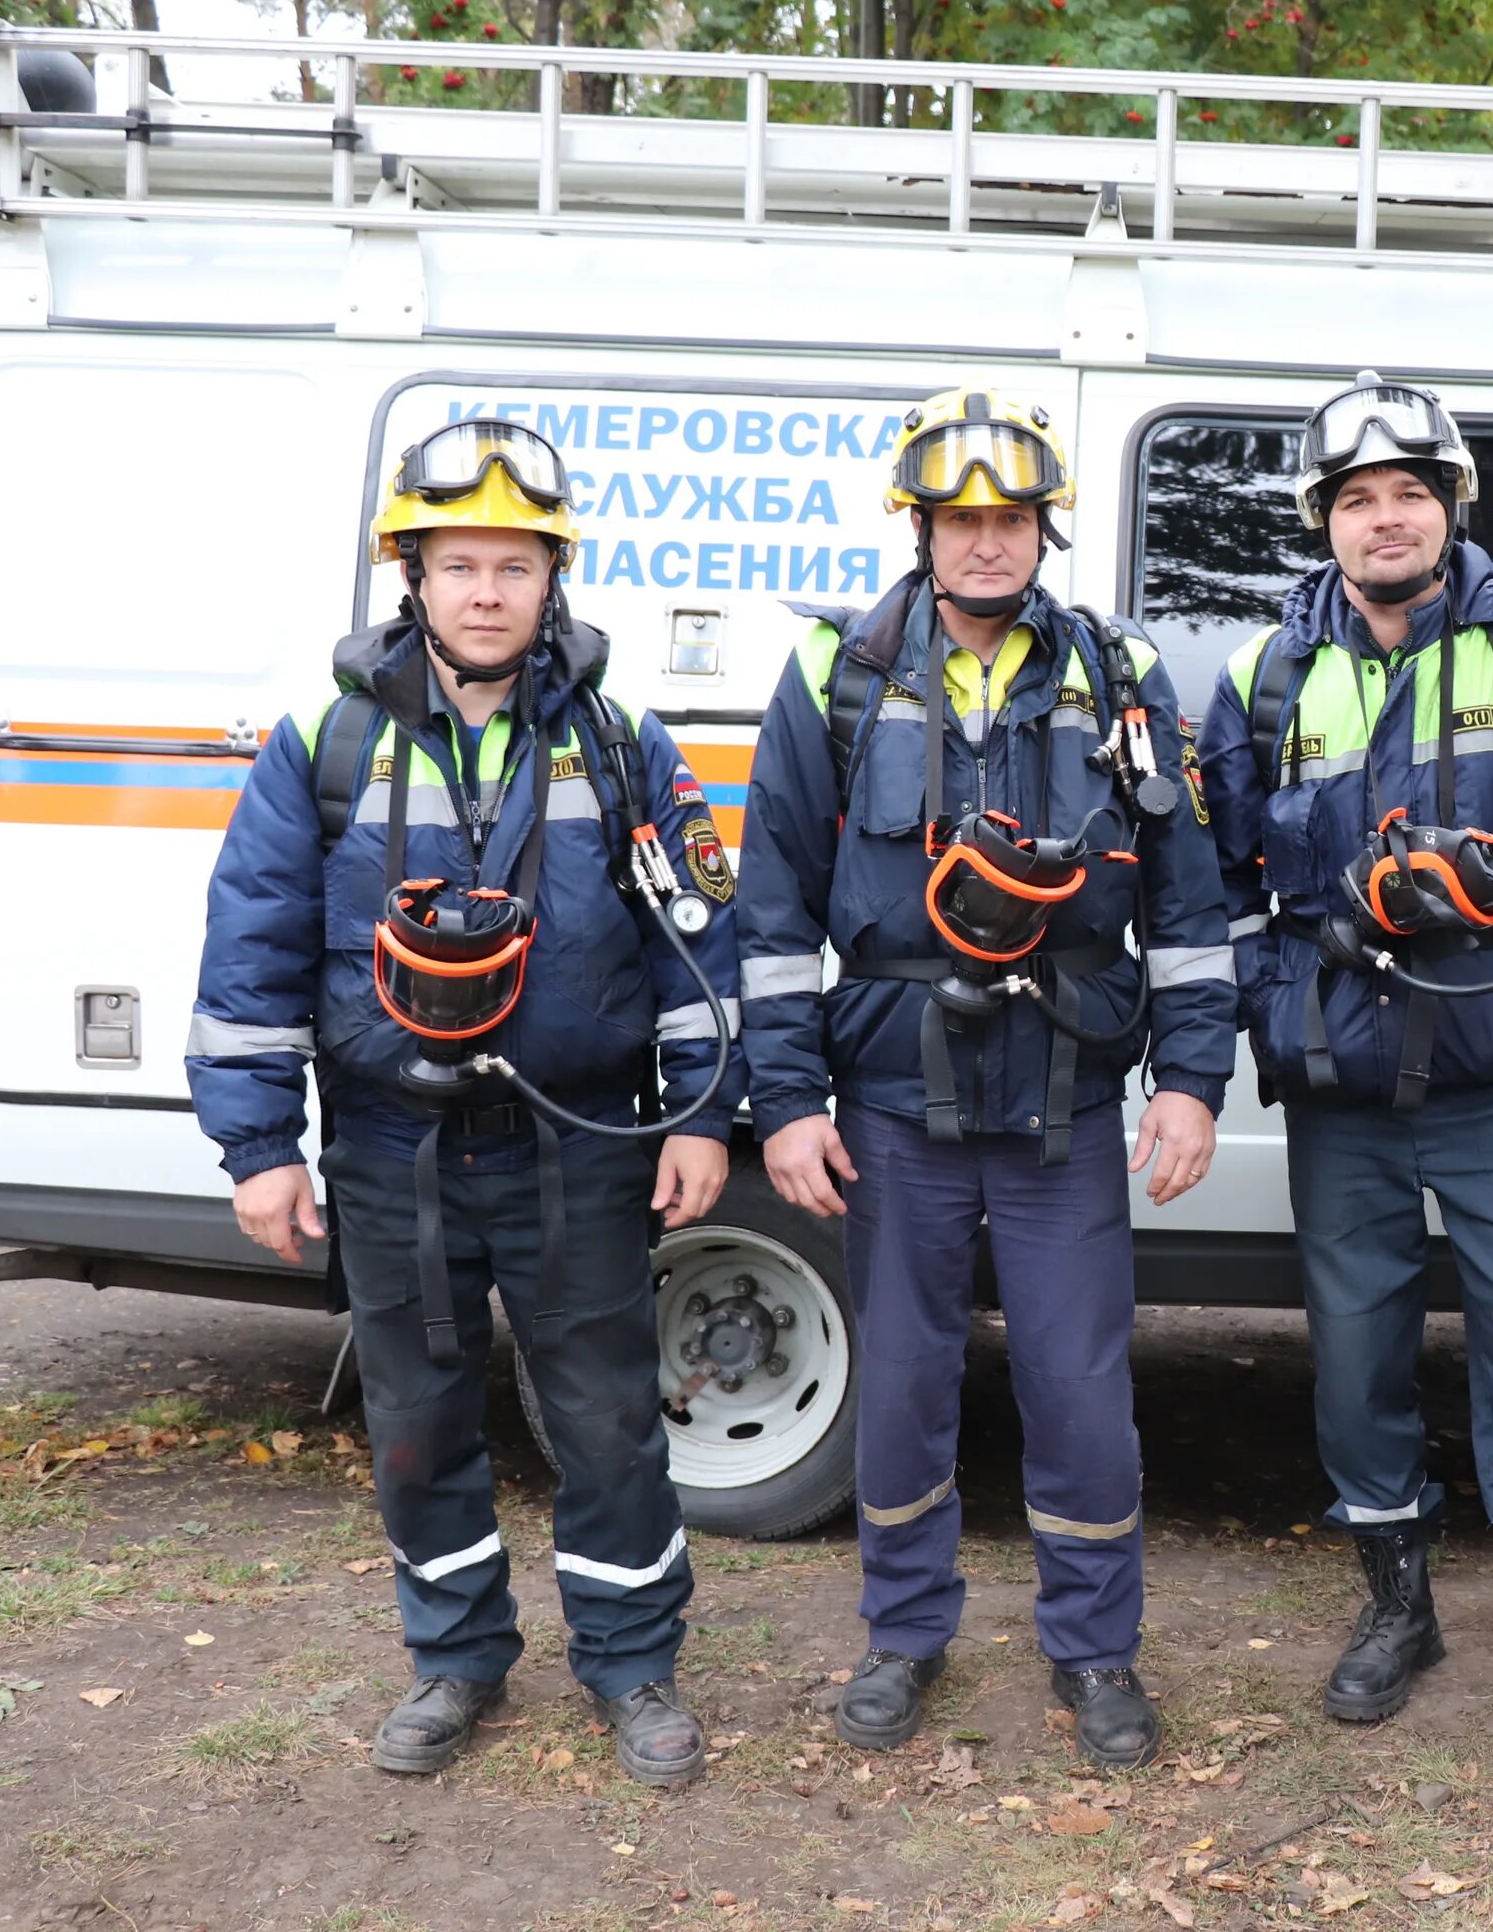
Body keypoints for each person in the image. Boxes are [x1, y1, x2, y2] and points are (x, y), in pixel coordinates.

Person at [189, 418, 744, 1787]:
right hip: (393, 1147)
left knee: (607, 1418)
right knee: (421, 1418)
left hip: (577, 1147)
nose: (485, 591)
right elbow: (251, 945)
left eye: (512, 564)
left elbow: (695, 947)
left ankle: (633, 1667)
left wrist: (699, 1117)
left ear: (553, 578)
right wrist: (259, 1147)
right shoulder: (324, 741)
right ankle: (454, 1662)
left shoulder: (624, 745)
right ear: (412, 578)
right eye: (457, 565)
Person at [733, 386, 1232, 1774]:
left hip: (1066, 1095)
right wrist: (784, 1103)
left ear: (1041, 531)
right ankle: (903, 1637)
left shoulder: (1120, 680)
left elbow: (1188, 906)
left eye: (1010, 518)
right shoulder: (837, 675)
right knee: (898, 1384)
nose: (987, 544)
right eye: (962, 520)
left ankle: (1096, 1653)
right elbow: (770, 910)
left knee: (1080, 1389)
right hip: (896, 1100)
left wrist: (1190, 1083)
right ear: (923, 530)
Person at [1195, 374, 1493, 1787]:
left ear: (1448, 509)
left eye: (1409, 493)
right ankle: (1395, 1608)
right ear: (1324, 524)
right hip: (1340, 1080)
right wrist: (1300, 960)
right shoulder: (1261, 677)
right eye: (1358, 499)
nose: (1386, 519)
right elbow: (1213, 880)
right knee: (1354, 1357)